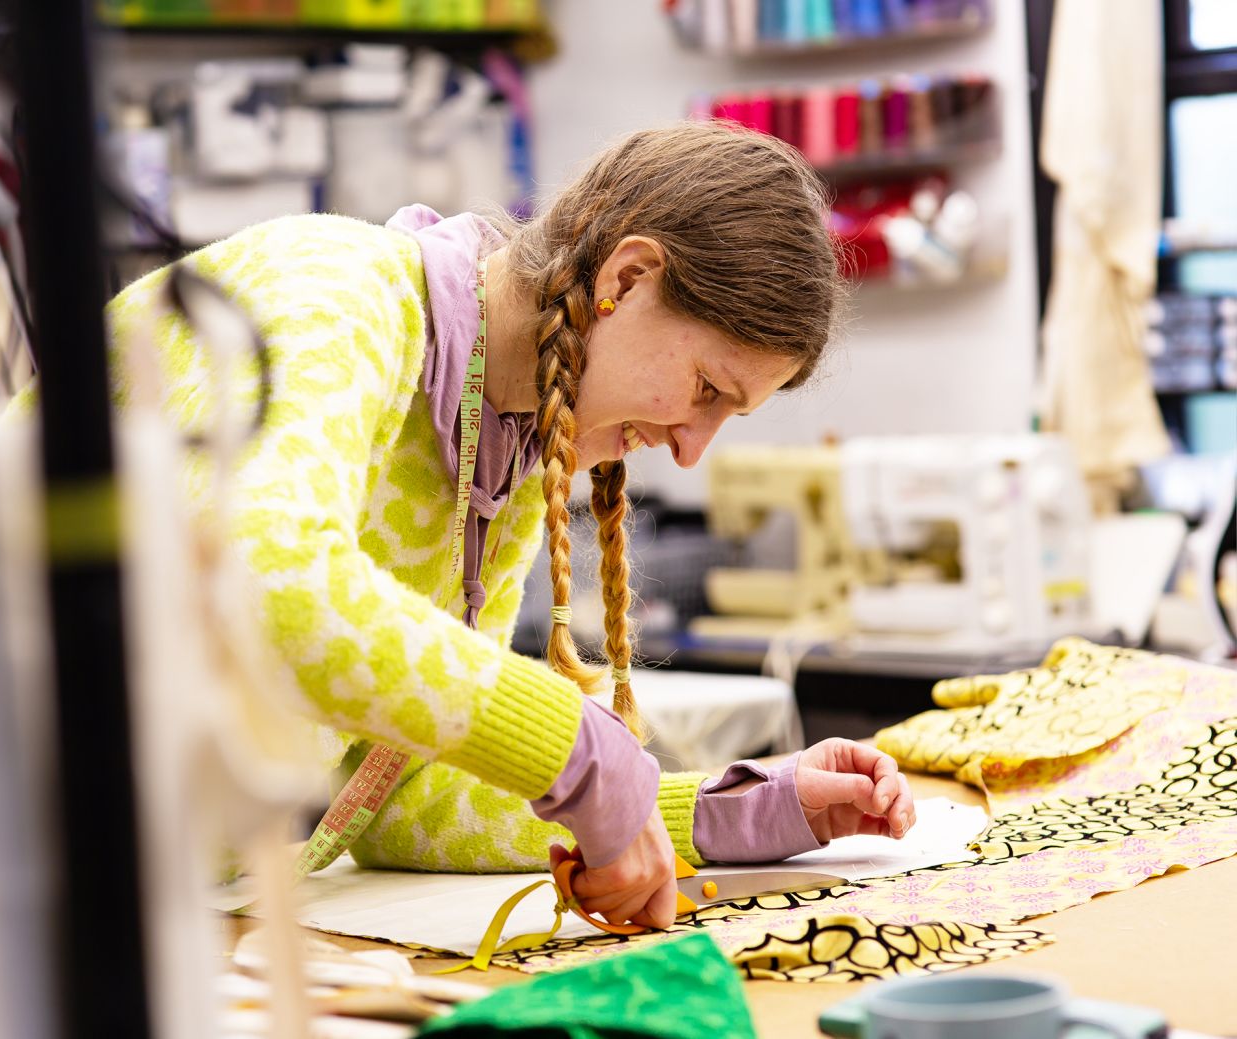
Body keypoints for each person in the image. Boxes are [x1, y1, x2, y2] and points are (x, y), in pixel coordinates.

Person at [75, 121, 917, 930]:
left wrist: (727, 811)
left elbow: (395, 792)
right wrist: (574, 747)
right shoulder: (332, 289)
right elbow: (263, 587)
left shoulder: (502, 448)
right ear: (624, 282)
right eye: (707, 390)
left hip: (134, 911)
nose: (692, 451)